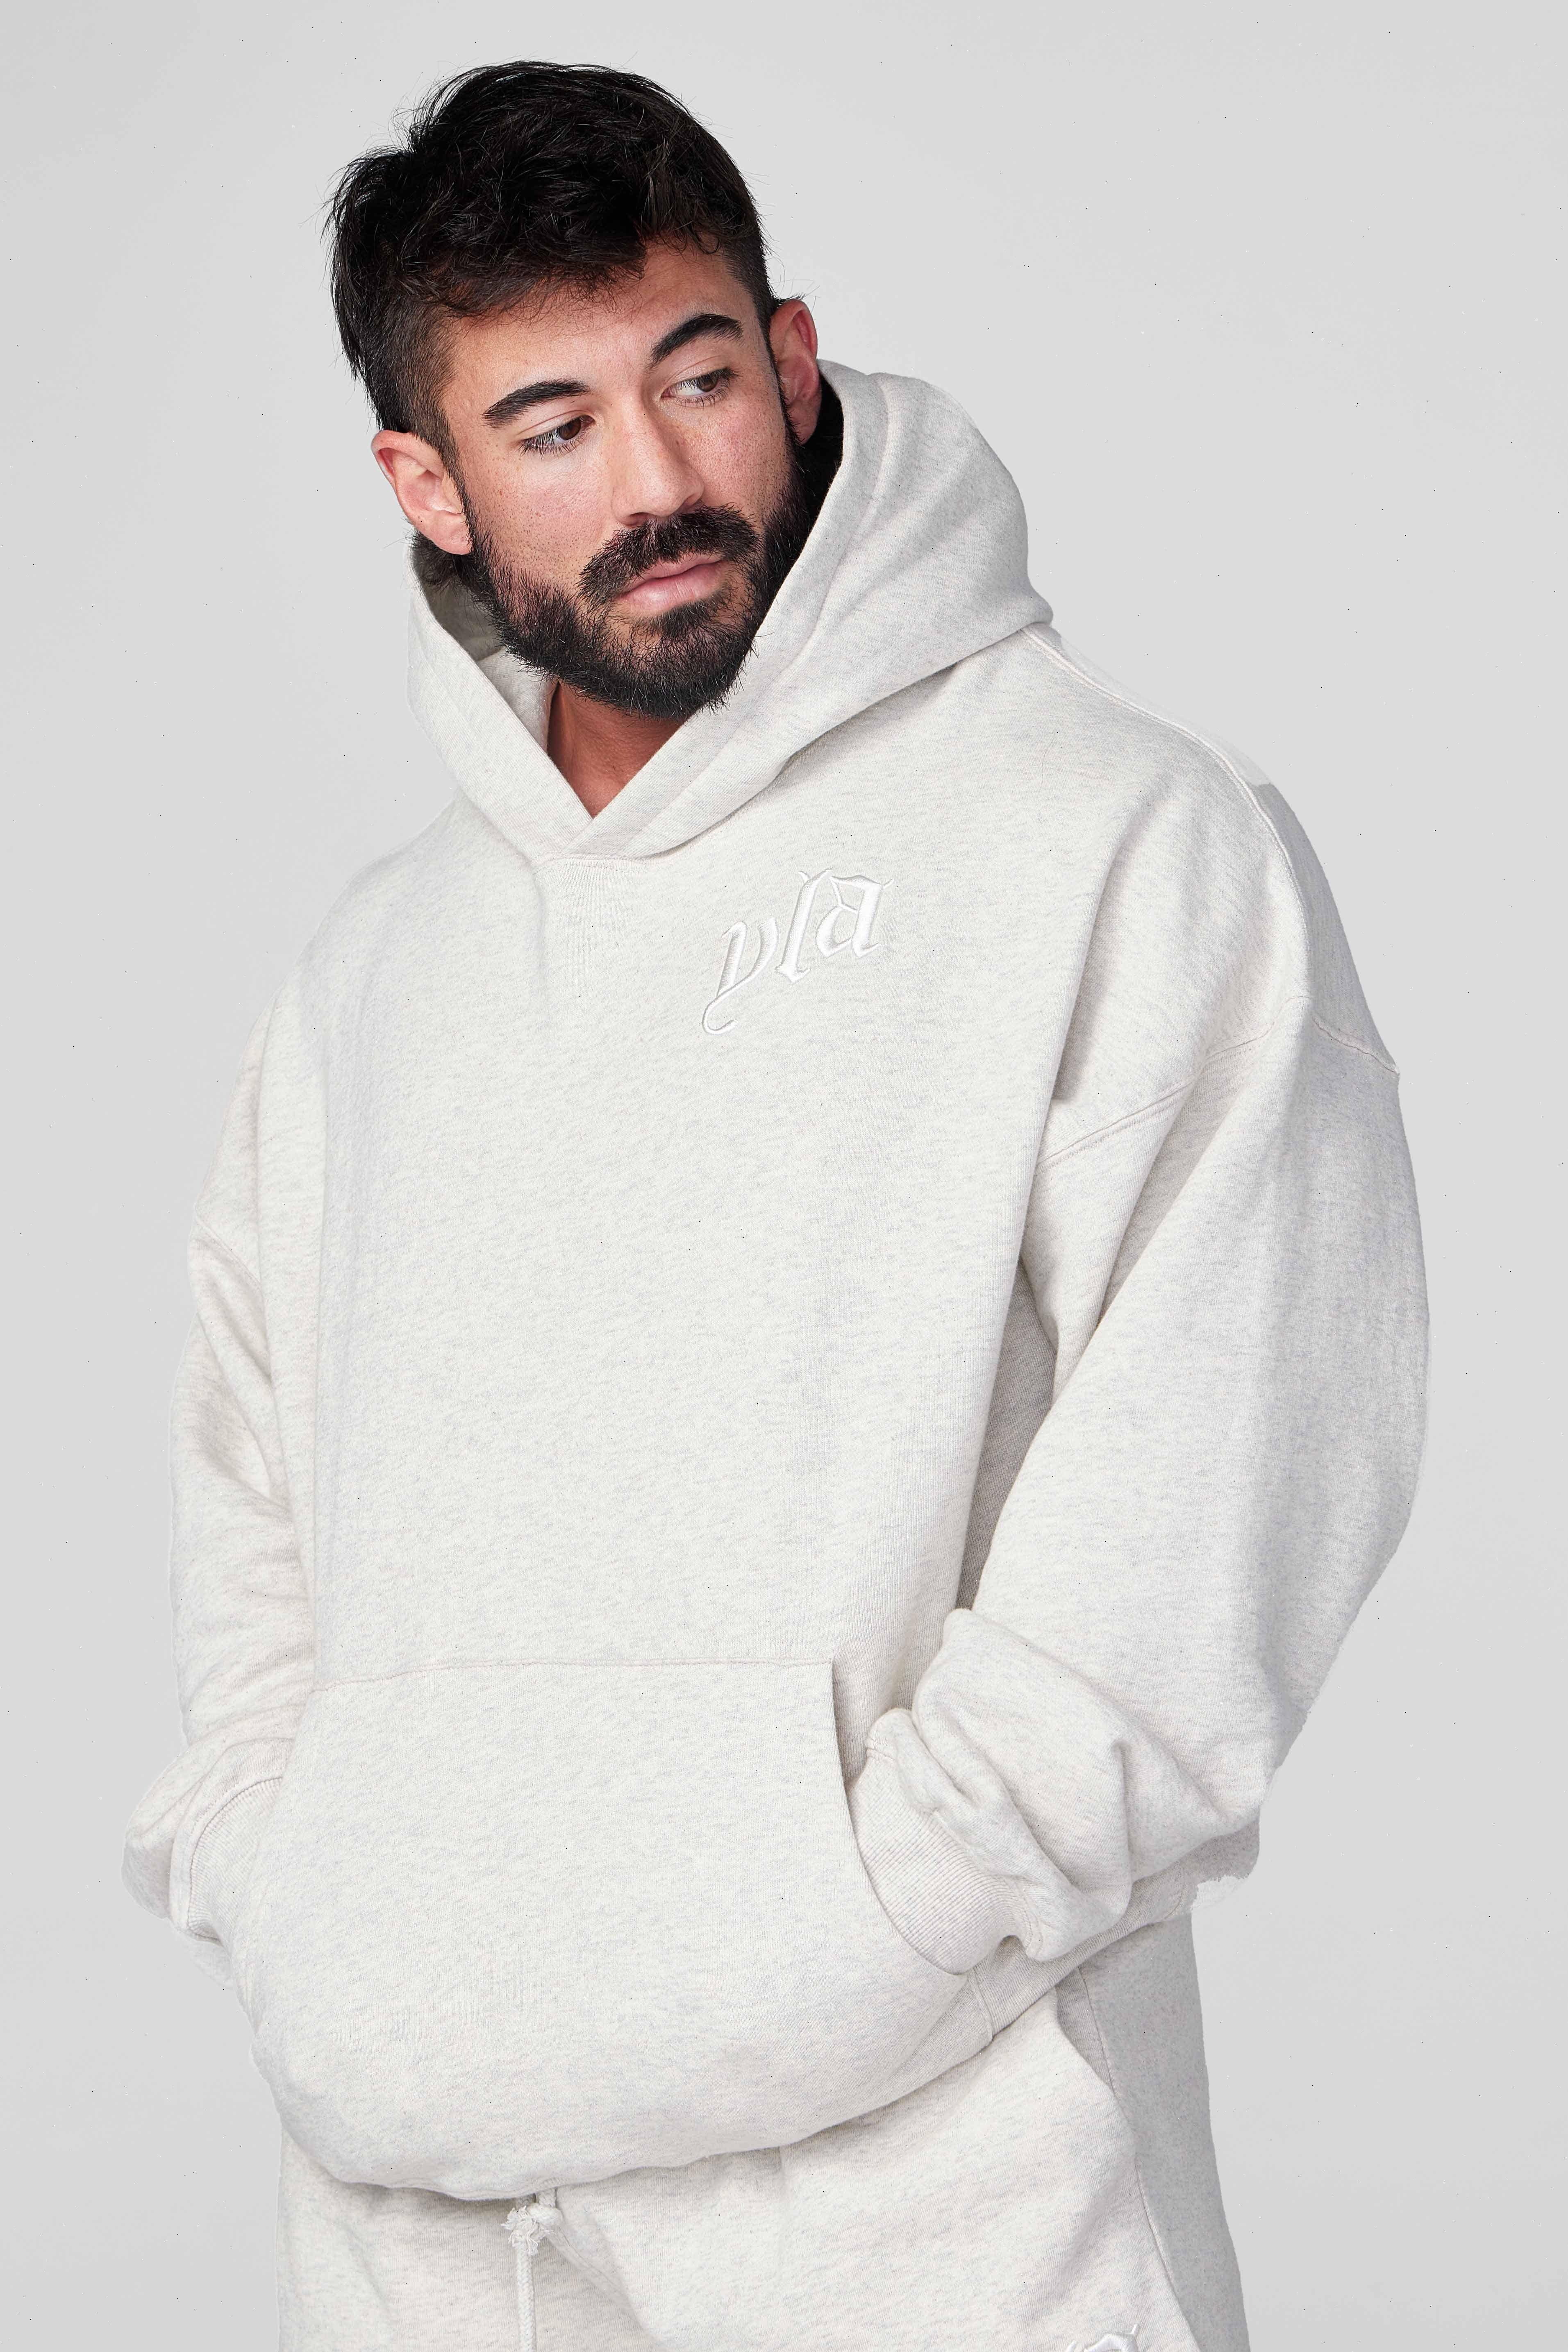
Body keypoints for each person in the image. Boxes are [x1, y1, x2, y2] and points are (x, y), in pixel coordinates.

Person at [123, 59, 1428, 2352]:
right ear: (424, 484)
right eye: (551, 426)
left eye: (699, 376)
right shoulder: (370, 980)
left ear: (796, 360)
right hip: (419, 2255)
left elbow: (1207, 1538)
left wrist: (863, 1920)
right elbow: (249, 1516)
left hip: (957, 2242)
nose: (657, 483)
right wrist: (316, 1911)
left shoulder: (1116, 841)